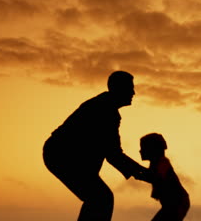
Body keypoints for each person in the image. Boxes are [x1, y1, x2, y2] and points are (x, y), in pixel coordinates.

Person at [43, 71, 147, 221]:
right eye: (130, 88)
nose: (134, 92)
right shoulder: (105, 111)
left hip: (68, 157)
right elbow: (114, 156)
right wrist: (146, 175)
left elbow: (111, 153)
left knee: (99, 198)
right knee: (100, 198)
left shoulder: (108, 109)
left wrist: (144, 174)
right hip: (60, 155)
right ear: (118, 88)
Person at [136, 133, 190, 221]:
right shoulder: (155, 163)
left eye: (143, 148)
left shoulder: (162, 162)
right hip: (172, 204)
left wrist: (140, 174)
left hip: (177, 203)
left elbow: (156, 177)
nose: (140, 151)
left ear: (152, 150)